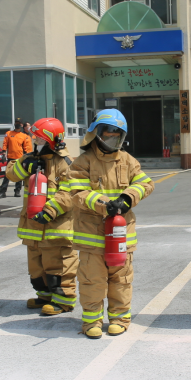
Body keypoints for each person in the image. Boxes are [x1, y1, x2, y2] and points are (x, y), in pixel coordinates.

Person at [69, 109, 154, 338]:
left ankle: (119, 318)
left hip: (121, 236)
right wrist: (104, 203)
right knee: (92, 281)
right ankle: (91, 322)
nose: (112, 137)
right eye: (108, 133)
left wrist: (127, 198)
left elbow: (145, 184)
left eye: (117, 134)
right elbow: (77, 192)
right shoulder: (82, 162)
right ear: (96, 133)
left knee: (121, 280)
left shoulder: (128, 161)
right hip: (92, 237)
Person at [6, 118, 76, 315]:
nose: (35, 142)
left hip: (55, 227)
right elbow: (11, 174)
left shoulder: (64, 163)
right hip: (33, 228)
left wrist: (50, 210)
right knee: (37, 267)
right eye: (34, 138)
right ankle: (44, 296)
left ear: (52, 140)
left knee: (57, 266)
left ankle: (63, 301)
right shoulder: (31, 158)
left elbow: (70, 192)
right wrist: (24, 166)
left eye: (39, 139)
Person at [0, 118, 33, 198]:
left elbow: (26, 148)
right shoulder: (8, 133)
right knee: (7, 176)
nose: (17, 124)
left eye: (19, 123)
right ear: (14, 124)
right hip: (10, 158)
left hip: (19, 158)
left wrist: (26, 157)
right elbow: (5, 144)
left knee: (19, 176)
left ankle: (17, 191)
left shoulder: (24, 136)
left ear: (21, 125)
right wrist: (3, 153)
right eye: (16, 122)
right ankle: (2, 192)